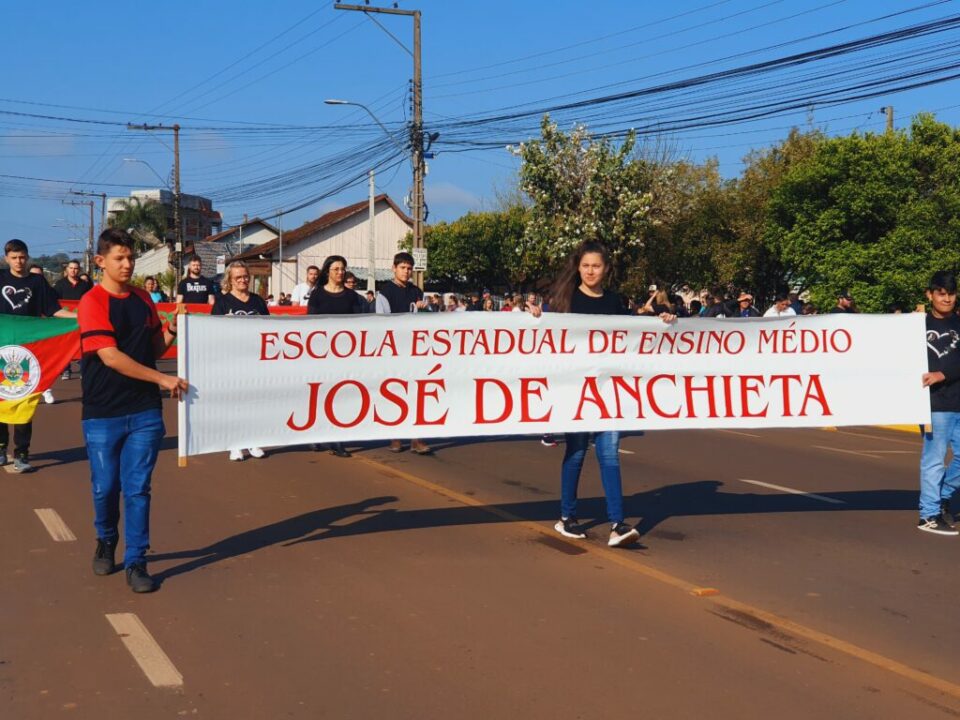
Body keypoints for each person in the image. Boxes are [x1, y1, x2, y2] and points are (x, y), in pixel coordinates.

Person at [542, 240, 674, 548]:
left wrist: (662, 322)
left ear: (606, 269)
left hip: (608, 393)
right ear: (578, 267)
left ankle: (617, 523)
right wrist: (534, 315)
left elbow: (632, 337)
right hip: (575, 391)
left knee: (609, 455)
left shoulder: (615, 302)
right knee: (576, 452)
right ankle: (566, 517)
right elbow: (543, 335)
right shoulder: (565, 301)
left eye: (596, 266)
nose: (590, 271)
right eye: (585, 265)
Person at [77, 228, 187, 593]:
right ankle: (106, 539)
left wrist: (172, 328)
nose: (127, 265)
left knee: (138, 488)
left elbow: (153, 346)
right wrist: (162, 379)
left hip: (144, 412)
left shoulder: (143, 299)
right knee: (105, 487)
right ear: (100, 261)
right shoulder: (91, 302)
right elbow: (110, 357)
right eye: (119, 258)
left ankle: (137, 560)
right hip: (102, 412)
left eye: (131, 258)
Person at [0, 239, 75, 471]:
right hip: (2, 347)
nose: (19, 261)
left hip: (30, 350)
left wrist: (79, 317)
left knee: (25, 398)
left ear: (28, 257)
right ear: (6, 259)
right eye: (14, 258)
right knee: (1, 396)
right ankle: (1, 448)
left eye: (22, 257)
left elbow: (54, 310)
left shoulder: (37, 282)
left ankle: (22, 454)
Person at [211, 261, 269, 461]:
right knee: (234, 403)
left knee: (254, 402)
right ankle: (235, 444)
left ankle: (253, 440)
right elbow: (213, 332)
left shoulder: (258, 302)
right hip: (231, 360)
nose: (243, 280)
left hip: (255, 359)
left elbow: (269, 328)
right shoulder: (222, 302)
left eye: (245, 276)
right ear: (230, 280)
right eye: (238, 277)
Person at [375, 252, 431, 454]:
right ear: (394, 268)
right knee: (395, 392)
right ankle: (395, 436)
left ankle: (416, 438)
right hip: (394, 351)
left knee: (416, 393)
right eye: (402, 268)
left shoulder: (417, 291)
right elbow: (382, 323)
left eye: (409, 268)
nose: (406, 272)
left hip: (414, 352)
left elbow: (427, 323)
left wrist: (423, 311)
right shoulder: (385, 293)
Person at [919, 271, 960, 535]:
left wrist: (943, 374)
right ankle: (929, 514)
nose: (947, 299)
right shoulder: (915, 326)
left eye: (951, 294)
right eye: (941, 293)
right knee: (933, 459)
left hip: (958, 399)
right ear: (930, 295)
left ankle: (943, 496)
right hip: (933, 403)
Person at [308, 255, 360, 458]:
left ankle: (337, 438)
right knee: (319, 394)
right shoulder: (317, 295)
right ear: (328, 271)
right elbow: (310, 324)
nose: (340, 272)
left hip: (343, 355)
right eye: (336, 269)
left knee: (339, 396)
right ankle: (314, 434)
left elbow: (358, 325)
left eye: (343, 269)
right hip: (321, 354)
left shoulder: (351, 296)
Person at [54, 260, 93, 381]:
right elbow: (55, 301)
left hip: (80, 319)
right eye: (71, 268)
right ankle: (66, 370)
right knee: (64, 345)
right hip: (64, 320)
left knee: (81, 344)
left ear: (79, 270)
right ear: (67, 269)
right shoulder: (60, 284)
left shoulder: (84, 285)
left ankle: (83, 369)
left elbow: (90, 300)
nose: (73, 270)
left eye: (76, 268)